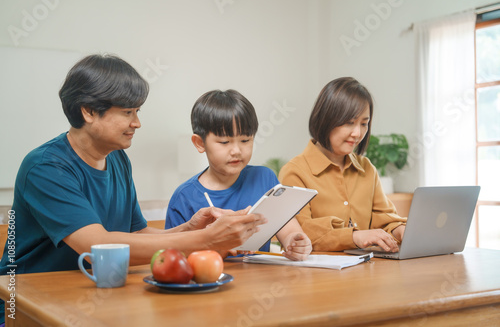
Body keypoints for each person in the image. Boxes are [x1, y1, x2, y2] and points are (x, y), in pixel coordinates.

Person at [0, 54, 266, 276]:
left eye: (138, 112)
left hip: (89, 295)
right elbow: (97, 247)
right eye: (128, 112)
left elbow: (136, 232)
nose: (136, 123)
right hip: (24, 304)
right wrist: (206, 240)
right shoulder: (46, 168)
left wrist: (189, 229)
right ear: (88, 111)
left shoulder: (117, 158)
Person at [165, 89, 312, 261]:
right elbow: (174, 257)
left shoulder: (264, 178)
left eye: (245, 140)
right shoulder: (184, 197)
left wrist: (295, 242)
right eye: (224, 142)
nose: (236, 150)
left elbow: (288, 229)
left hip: (258, 283)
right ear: (200, 143)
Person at [278, 77, 406, 253]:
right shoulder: (295, 172)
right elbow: (301, 234)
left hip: (367, 270)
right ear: (326, 120)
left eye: (364, 123)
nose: (357, 133)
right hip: (317, 276)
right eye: (349, 123)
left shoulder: (367, 168)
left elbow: (384, 219)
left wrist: (401, 231)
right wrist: (355, 237)